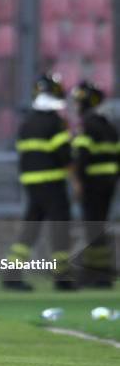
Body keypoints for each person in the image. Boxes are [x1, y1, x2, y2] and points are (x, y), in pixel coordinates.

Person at [4, 74, 76, 291]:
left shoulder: (27, 122)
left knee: (31, 226)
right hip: (52, 182)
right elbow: (65, 156)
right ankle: (62, 275)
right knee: (60, 225)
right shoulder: (55, 123)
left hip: (31, 182)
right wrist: (76, 179)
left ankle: (12, 273)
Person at [71, 81, 118, 288]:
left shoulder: (87, 124)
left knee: (92, 227)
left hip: (92, 184)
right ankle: (101, 273)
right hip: (108, 183)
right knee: (98, 226)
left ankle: (95, 274)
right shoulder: (108, 124)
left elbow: (82, 156)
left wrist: (78, 182)